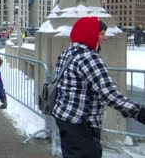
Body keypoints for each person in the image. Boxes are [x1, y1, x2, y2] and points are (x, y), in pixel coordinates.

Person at [53, 17, 145, 158]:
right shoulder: (88, 57)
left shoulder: (68, 53)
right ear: (88, 34)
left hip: (65, 118)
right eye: (101, 33)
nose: (105, 37)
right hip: (81, 123)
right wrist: (138, 112)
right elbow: (109, 94)